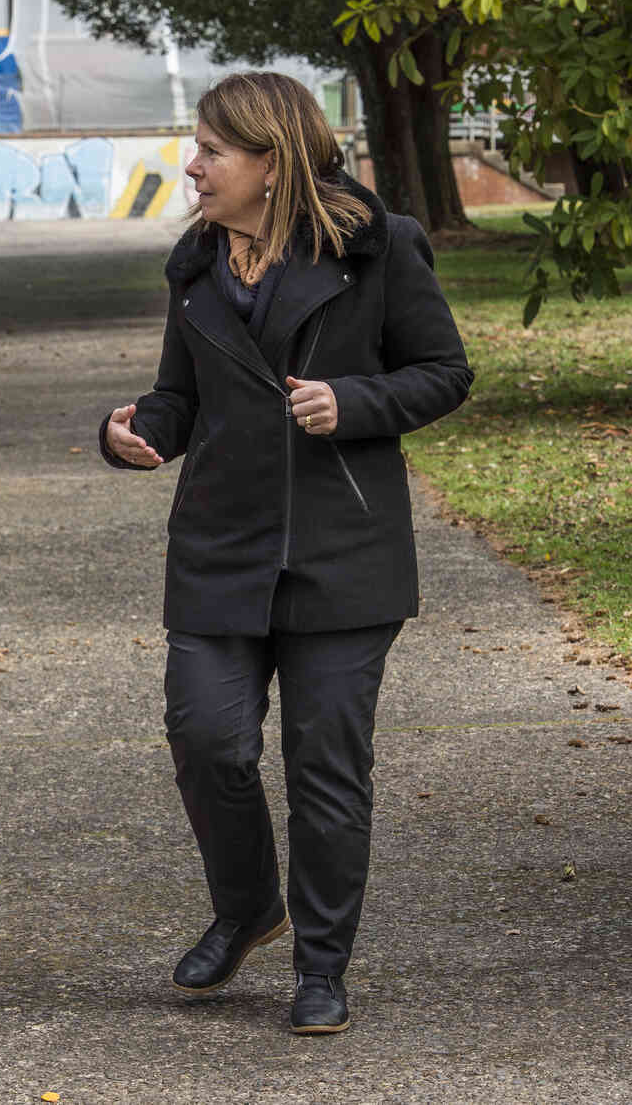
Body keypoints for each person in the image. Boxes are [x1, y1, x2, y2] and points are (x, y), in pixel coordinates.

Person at [99, 72, 472, 1035]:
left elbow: (444, 371)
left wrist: (355, 403)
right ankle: (246, 906)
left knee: (325, 765)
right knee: (207, 739)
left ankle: (322, 961)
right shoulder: (195, 267)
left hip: (343, 550)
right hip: (220, 545)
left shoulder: (375, 247)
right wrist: (136, 431)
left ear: (272, 163)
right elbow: (178, 398)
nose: (194, 165)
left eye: (213, 150)